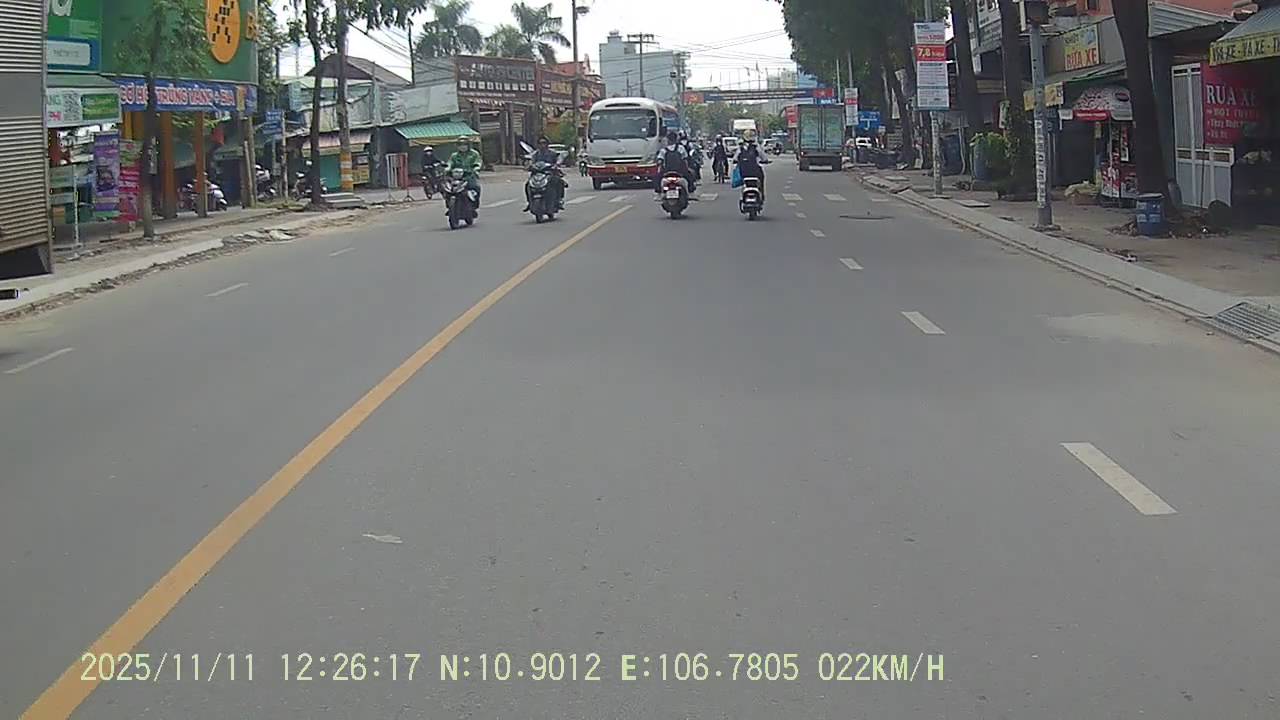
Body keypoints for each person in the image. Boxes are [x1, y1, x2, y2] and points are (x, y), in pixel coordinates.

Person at [524, 135, 566, 211]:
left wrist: (556, 165)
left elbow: (559, 159)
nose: (542, 145)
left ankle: (559, 200)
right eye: (540, 143)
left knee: (559, 182)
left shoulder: (552, 153)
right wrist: (529, 166)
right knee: (527, 185)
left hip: (549, 173)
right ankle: (529, 202)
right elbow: (531, 162)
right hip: (537, 173)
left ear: (547, 144)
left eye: (544, 143)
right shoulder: (535, 154)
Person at [446, 136, 482, 209]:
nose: (462, 146)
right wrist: (447, 168)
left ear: (468, 145)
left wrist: (476, 168)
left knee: (476, 187)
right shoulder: (454, 155)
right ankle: (449, 205)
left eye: (465, 144)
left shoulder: (474, 154)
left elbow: (478, 162)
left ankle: (475, 204)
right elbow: (450, 163)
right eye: (460, 144)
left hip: (469, 175)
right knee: (448, 190)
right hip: (457, 176)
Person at [655, 130, 694, 196]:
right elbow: (685, 160)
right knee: (690, 176)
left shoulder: (663, 150)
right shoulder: (681, 148)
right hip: (680, 171)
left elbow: (659, 161)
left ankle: (658, 193)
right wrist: (687, 168)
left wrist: (659, 166)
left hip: (666, 171)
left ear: (668, 140)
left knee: (657, 178)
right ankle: (691, 192)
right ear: (676, 139)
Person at [735, 129, 765, 201]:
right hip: (755, 172)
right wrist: (765, 161)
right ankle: (762, 194)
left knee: (743, 183)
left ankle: (743, 196)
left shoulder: (741, 147)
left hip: (744, 172)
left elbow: (735, 158)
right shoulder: (756, 147)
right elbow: (763, 157)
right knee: (761, 178)